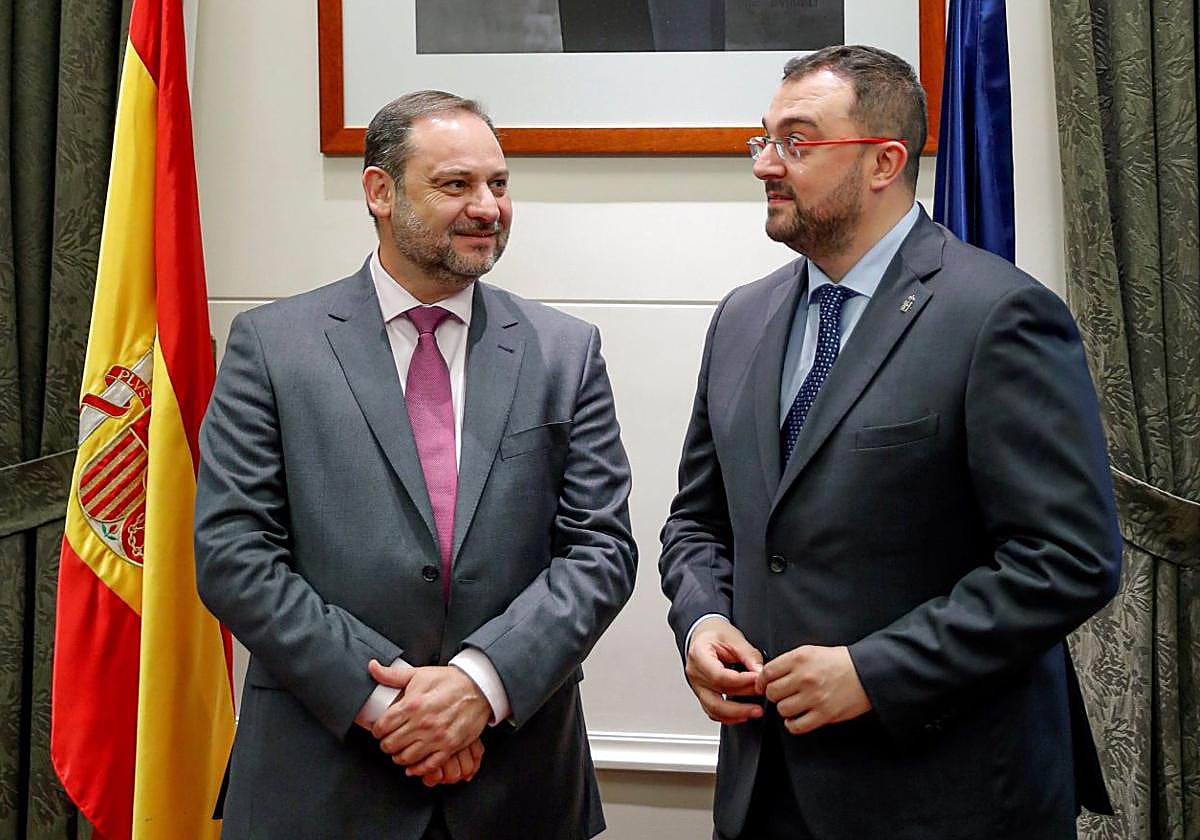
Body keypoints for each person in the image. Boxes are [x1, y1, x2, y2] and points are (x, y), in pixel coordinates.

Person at [658, 45, 1121, 840]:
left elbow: (1070, 560)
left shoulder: (999, 316)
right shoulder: (741, 318)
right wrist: (701, 623)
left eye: (796, 142)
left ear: (884, 161)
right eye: (761, 139)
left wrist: (875, 672)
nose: (766, 163)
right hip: (765, 788)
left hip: (946, 795)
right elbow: (697, 523)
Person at [195, 90, 636, 840]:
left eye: (498, 184)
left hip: (517, 785)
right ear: (379, 191)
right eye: (456, 185)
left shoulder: (564, 351)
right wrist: (388, 705)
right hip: (321, 783)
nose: (487, 208)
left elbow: (601, 553)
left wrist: (477, 684)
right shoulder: (272, 347)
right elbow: (234, 557)